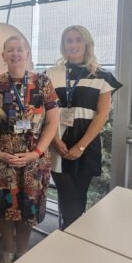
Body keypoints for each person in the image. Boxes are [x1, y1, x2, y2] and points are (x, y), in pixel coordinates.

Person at [0, 36, 59, 263]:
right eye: (10, 50)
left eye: (20, 49)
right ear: (3, 56)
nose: (15, 54)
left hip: (34, 159)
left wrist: (36, 152)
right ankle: (7, 252)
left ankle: (22, 252)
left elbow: (52, 123)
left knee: (28, 207)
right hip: (4, 158)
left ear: (27, 53)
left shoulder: (43, 83)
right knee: (5, 207)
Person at [46, 25, 122, 229]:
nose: (73, 45)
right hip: (57, 141)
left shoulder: (102, 76)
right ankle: (70, 241)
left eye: (78, 40)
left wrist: (80, 146)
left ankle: (71, 241)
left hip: (86, 143)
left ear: (86, 43)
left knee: (78, 199)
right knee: (68, 200)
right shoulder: (51, 74)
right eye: (68, 40)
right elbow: (45, 112)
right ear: (63, 45)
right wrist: (55, 140)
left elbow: (102, 115)